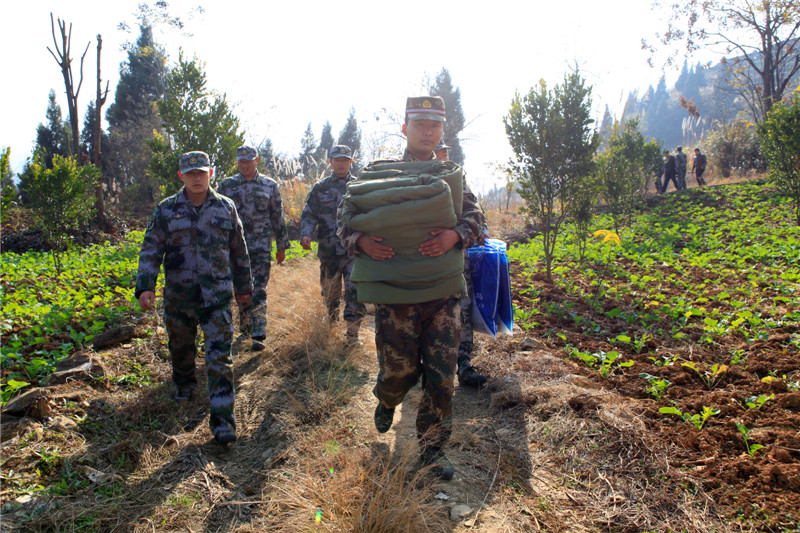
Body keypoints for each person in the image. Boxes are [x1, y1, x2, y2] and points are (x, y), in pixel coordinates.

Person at [338, 96, 483, 479]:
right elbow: (345, 221)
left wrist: (455, 234)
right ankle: (388, 398)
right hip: (396, 294)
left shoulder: (451, 175)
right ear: (405, 129)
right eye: (420, 125)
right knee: (398, 371)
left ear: (442, 131)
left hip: (442, 296)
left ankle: (433, 450)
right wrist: (360, 241)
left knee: (442, 376)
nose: (428, 132)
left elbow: (475, 217)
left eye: (435, 126)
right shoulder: (381, 174)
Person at [135, 151, 253, 445]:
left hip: (217, 298)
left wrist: (244, 288)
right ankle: (184, 382)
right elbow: (151, 249)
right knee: (181, 346)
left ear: (210, 173)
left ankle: (223, 422)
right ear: (181, 176)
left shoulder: (226, 207)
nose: (197, 178)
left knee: (220, 357)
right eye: (190, 174)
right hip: (179, 297)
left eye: (201, 172)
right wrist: (146, 286)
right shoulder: (166, 210)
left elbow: (239, 251)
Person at [218, 145, 290, 351]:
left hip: (260, 248)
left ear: (256, 161)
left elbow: (277, 216)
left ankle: (259, 331)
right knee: (242, 290)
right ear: (237, 163)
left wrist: (281, 246)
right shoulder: (226, 186)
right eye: (241, 161)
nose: (245, 165)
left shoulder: (269, 185)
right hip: (236, 248)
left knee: (259, 288)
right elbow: (219, 216)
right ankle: (246, 327)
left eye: (248, 161)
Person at [433, 136, 488, 388]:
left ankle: (464, 364)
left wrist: (481, 231)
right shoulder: (413, 173)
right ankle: (432, 366)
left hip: (457, 252)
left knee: (463, 307)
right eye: (439, 151)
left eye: (444, 151)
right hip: (427, 257)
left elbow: (473, 207)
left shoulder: (457, 175)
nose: (443, 155)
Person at [299, 144, 366, 343]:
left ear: (351, 162)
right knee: (331, 293)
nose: (341, 164)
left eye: (345, 160)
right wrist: (306, 234)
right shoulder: (320, 188)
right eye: (337, 160)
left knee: (355, 292)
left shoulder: (359, 186)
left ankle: (352, 335)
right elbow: (309, 214)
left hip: (354, 251)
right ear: (331, 162)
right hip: (328, 251)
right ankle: (331, 328)